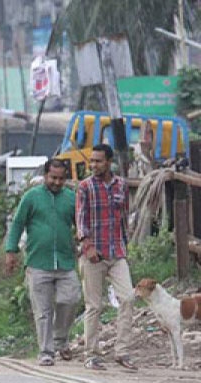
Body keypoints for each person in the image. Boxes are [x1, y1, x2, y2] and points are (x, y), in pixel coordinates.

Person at [5, 159, 81, 366]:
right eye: (53, 178)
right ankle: (46, 351)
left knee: (71, 298)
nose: (57, 182)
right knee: (43, 311)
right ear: (45, 176)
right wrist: (11, 251)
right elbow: (18, 223)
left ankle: (60, 339)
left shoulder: (71, 198)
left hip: (65, 262)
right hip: (38, 263)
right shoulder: (31, 197)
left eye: (61, 178)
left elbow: (81, 225)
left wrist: (86, 244)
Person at [76, 144, 137, 371]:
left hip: (117, 252)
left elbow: (124, 216)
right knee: (94, 305)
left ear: (109, 162)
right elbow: (81, 219)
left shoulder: (121, 185)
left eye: (98, 161)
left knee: (128, 298)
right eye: (92, 161)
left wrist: (126, 244)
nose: (93, 165)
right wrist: (87, 245)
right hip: (93, 254)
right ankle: (91, 355)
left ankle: (122, 352)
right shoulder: (85, 187)